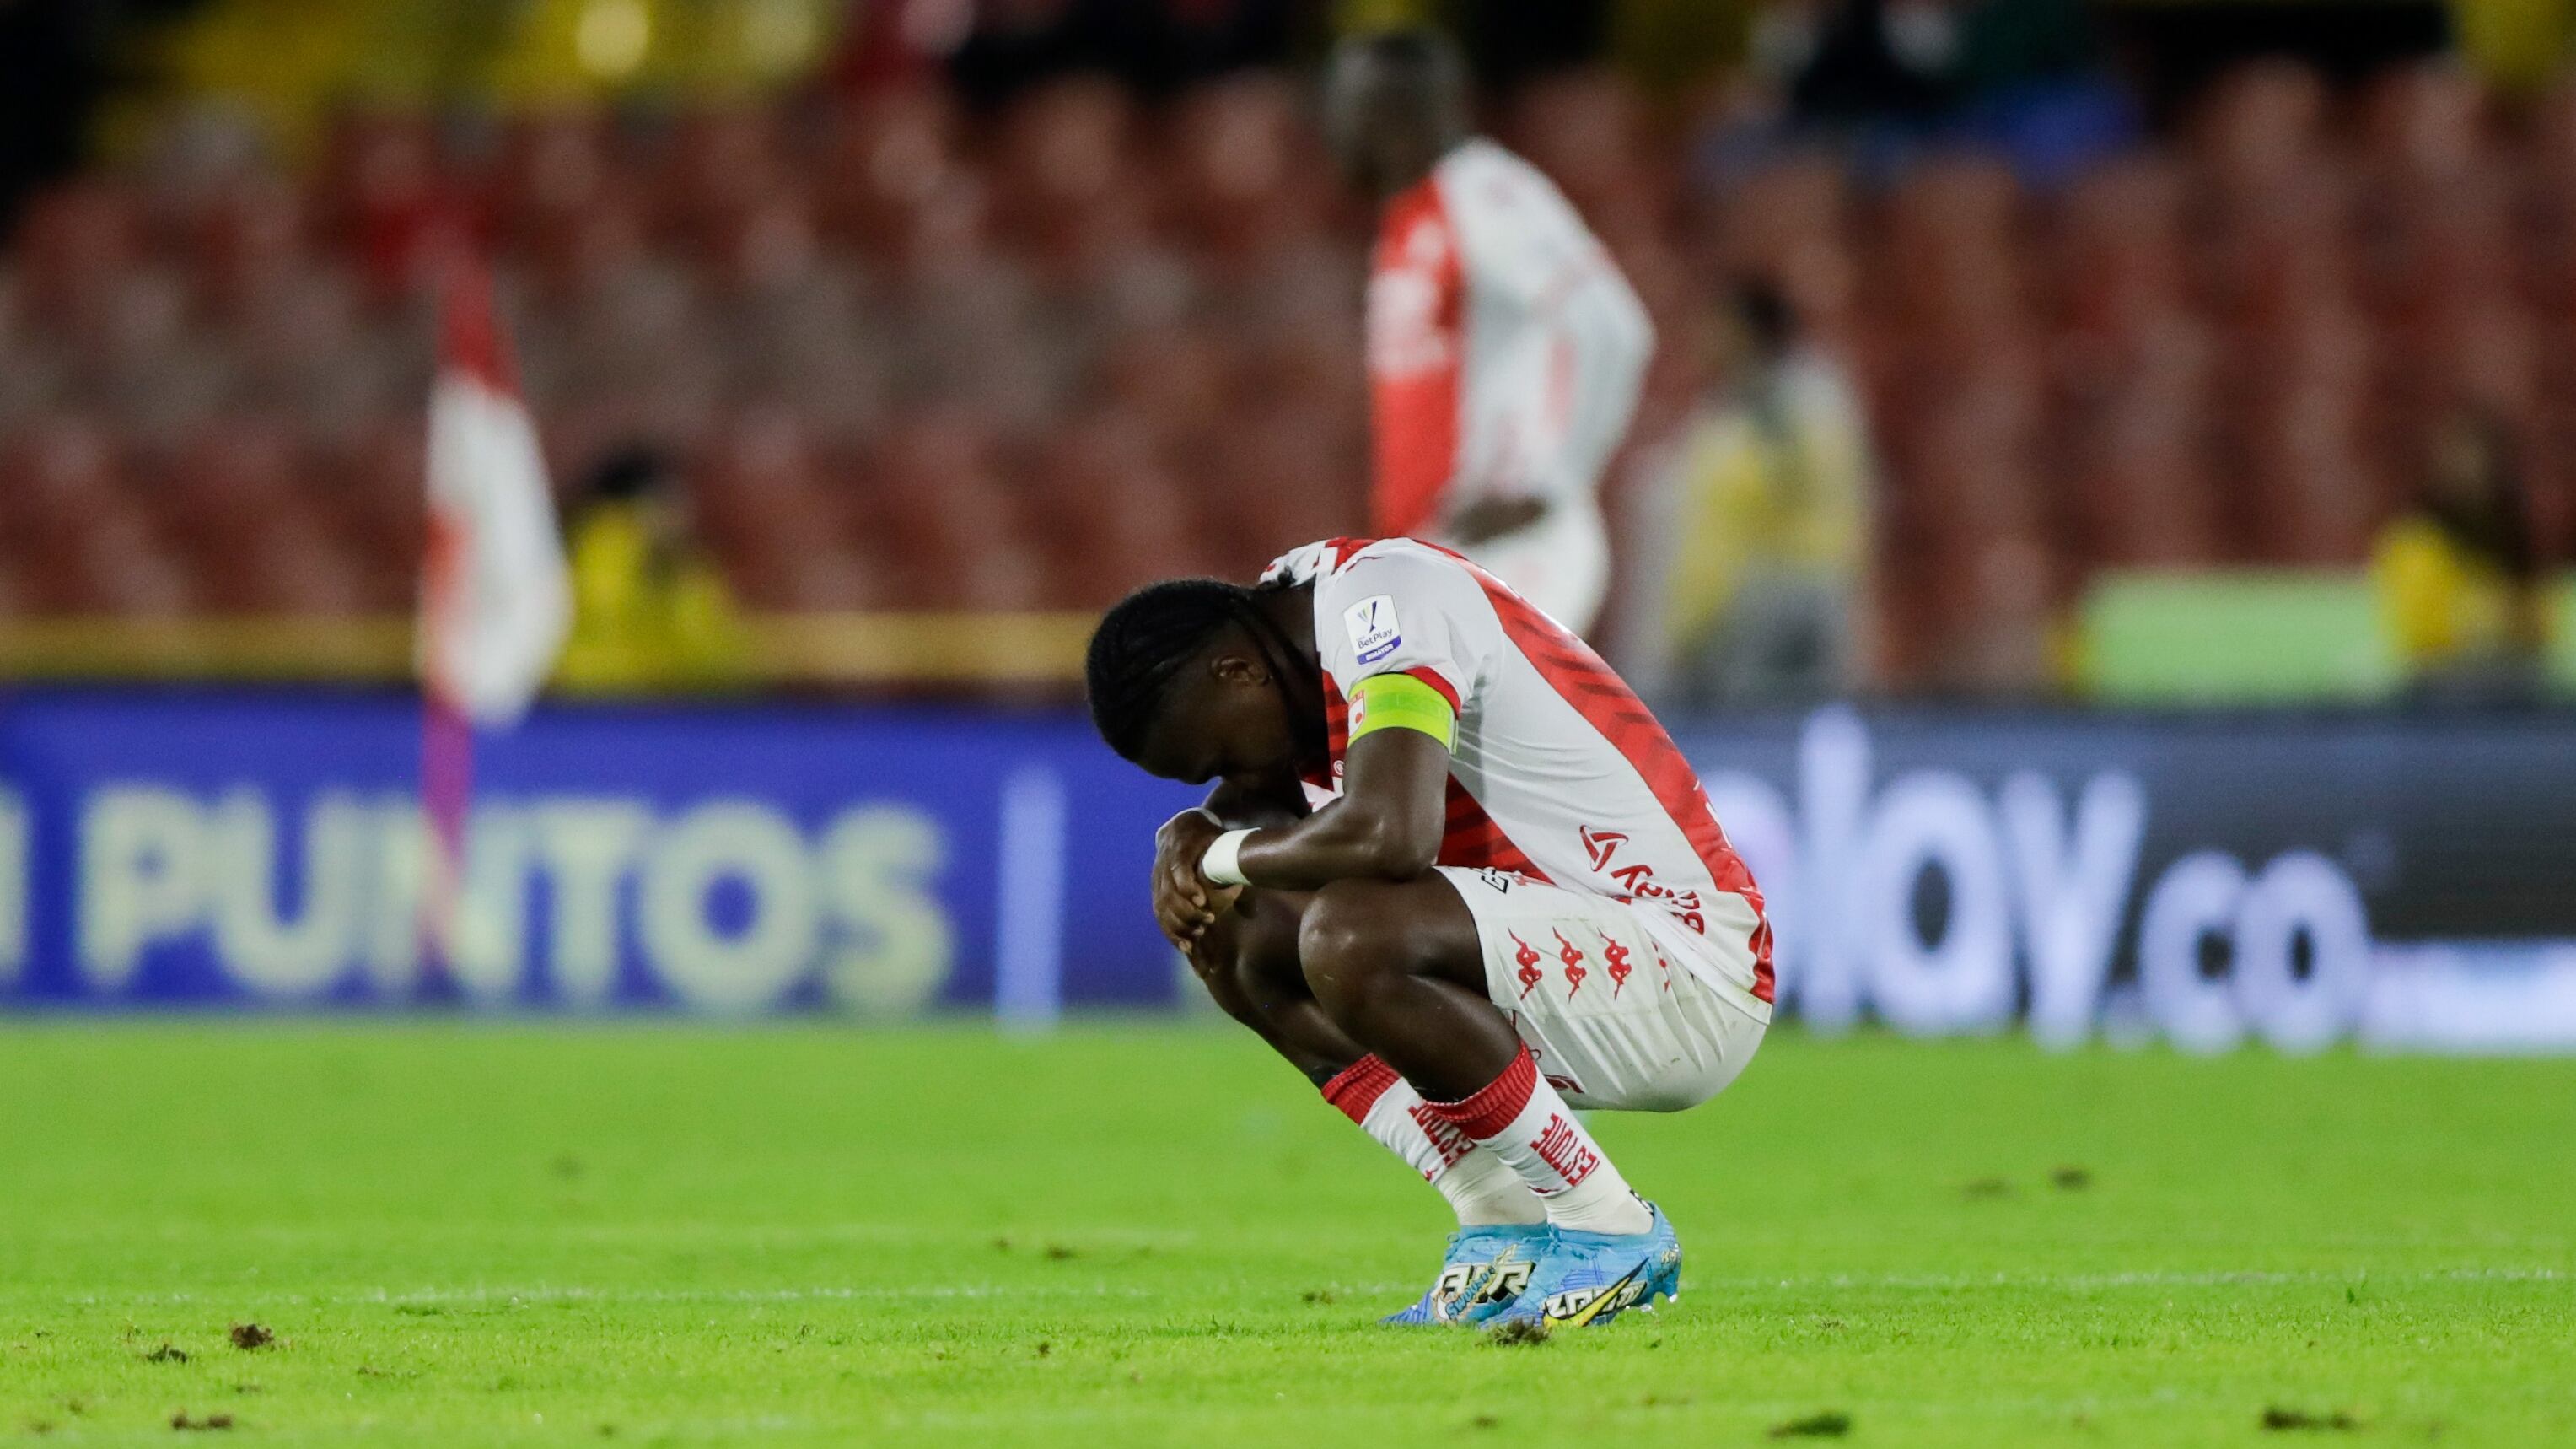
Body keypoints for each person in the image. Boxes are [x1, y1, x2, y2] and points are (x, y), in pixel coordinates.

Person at [1085, 536, 1772, 1328]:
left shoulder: (1387, 607)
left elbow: (1390, 835)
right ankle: (1500, 1223)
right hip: (1558, 947)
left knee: (1354, 933)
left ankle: (1609, 1230)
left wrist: (1219, 850)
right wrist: (1190, 835)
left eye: (1219, 755)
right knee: (1233, 927)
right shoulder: (1293, 623)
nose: (1233, 779)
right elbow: (1259, 821)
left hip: (1689, 968)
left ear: (1237, 673)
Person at [1323, 30, 1654, 638]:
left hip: (1512, 549)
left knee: (1464, 732)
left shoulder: (1483, 194)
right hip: (1444, 554)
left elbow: (1614, 328)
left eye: (1342, 106)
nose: (1332, 128)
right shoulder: (1409, 218)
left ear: (1389, 112)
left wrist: (1553, 484)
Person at [1632, 278, 1874, 706]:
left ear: (1746, 331)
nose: (1705, 340)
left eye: (1716, 326)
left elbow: (1807, 486)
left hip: (1780, 609)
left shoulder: (1798, 398)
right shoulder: (1725, 413)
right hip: (1720, 622)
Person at [2372, 412, 2554, 703]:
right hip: (2439, 685)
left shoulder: (2513, 541)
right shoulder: (2418, 540)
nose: (2472, 473)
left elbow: (2540, 627)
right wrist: (2475, 623)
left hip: (2511, 682)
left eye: (2481, 462)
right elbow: (2419, 634)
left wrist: (2509, 624)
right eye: (2462, 461)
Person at [554, 446, 749, 695]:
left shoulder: (676, 563)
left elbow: (714, 646)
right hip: (599, 696)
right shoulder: (607, 542)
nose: (684, 513)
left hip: (641, 694)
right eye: (674, 500)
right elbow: (599, 617)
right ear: (651, 501)